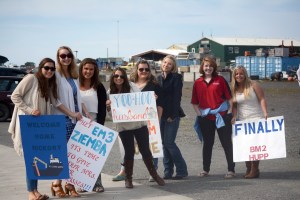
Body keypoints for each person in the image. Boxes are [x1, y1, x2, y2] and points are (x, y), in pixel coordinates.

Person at [106, 67, 165, 188]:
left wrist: (151, 99)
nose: (119, 78)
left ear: (125, 78)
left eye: (122, 76)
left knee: (145, 150)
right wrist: (108, 108)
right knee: (129, 152)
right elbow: (112, 115)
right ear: (112, 77)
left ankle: (154, 174)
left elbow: (142, 102)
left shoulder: (132, 86)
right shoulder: (109, 92)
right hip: (123, 127)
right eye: (116, 76)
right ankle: (128, 178)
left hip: (139, 124)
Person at [8, 58, 57, 200]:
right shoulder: (31, 78)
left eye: (52, 69)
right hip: (28, 124)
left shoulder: (47, 84)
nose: (49, 71)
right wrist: (29, 110)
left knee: (36, 159)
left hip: (39, 127)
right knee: (31, 159)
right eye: (47, 68)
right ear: (40, 67)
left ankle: (35, 191)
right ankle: (31, 193)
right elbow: (15, 96)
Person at [50, 46, 91, 198]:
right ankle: (57, 183)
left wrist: (85, 112)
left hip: (75, 119)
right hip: (62, 118)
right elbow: (55, 100)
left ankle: (69, 183)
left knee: (72, 154)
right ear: (58, 58)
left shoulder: (74, 75)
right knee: (63, 154)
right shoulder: (56, 75)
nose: (66, 58)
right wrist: (71, 113)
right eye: (62, 56)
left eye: (68, 55)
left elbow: (77, 98)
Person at [191, 56, 235, 179]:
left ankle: (231, 169)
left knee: (226, 143)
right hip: (206, 118)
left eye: (210, 66)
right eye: (206, 65)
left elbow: (230, 98)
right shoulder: (197, 83)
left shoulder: (220, 80)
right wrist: (200, 116)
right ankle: (206, 169)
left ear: (214, 67)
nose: (208, 68)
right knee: (207, 144)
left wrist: (229, 113)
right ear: (202, 67)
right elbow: (194, 102)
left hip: (221, 116)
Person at [231, 65, 268, 179]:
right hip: (242, 121)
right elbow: (235, 105)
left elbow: (262, 98)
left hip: (256, 118)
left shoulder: (253, 84)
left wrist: (265, 112)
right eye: (236, 74)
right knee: (245, 146)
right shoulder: (234, 88)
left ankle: (255, 169)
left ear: (245, 74)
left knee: (254, 145)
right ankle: (248, 168)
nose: (239, 76)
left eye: (241, 73)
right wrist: (234, 116)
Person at [77, 58, 107, 192]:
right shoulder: (74, 83)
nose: (88, 71)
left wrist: (100, 126)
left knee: (94, 156)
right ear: (81, 69)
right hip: (76, 122)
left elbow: (102, 108)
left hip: (94, 122)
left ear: (94, 71)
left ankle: (97, 184)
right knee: (80, 157)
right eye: (86, 68)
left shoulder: (99, 86)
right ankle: (83, 184)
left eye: (91, 69)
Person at [157, 55, 188, 180]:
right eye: (165, 62)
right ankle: (167, 171)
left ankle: (182, 170)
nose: (166, 65)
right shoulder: (158, 78)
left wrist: (172, 114)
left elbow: (177, 98)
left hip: (172, 115)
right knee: (164, 144)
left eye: (169, 63)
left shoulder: (176, 78)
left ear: (173, 66)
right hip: (160, 115)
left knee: (169, 143)